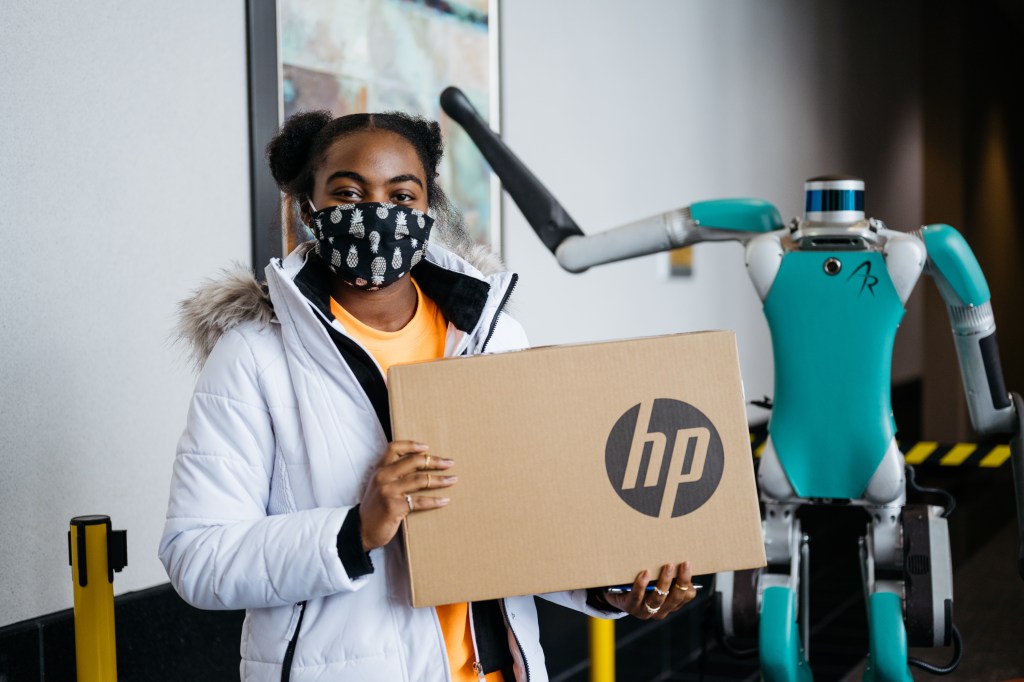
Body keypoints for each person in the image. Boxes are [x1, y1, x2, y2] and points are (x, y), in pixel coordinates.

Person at [159, 109, 697, 682]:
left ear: (427, 209)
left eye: (402, 194)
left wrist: (612, 591)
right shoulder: (254, 357)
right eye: (348, 192)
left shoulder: (492, 338)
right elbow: (198, 558)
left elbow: (524, 524)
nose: (377, 213)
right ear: (308, 208)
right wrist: (356, 530)